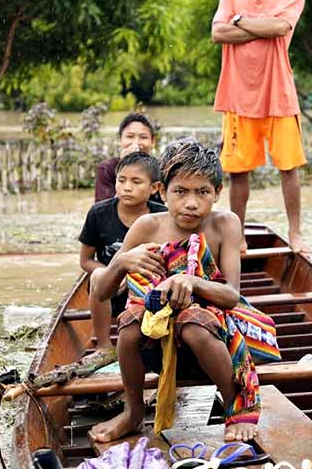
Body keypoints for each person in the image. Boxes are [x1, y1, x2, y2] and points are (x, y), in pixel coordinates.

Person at [87, 140, 259, 443]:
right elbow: (101, 292)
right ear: (163, 192)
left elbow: (232, 295)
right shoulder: (146, 227)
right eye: (180, 192)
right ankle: (134, 412)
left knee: (193, 323)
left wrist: (192, 283)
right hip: (154, 348)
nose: (191, 203)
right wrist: (121, 263)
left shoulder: (225, 224)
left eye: (202, 192)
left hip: (211, 339)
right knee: (129, 325)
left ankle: (234, 404)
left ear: (217, 193)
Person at [211, 0, 308, 255]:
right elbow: (217, 32)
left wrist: (240, 21)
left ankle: (295, 233)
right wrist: (258, 24)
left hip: (278, 93)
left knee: (288, 167)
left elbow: (281, 28)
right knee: (238, 172)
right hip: (238, 95)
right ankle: (237, 237)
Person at [79, 152, 166, 358]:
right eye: (121, 180)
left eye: (136, 182)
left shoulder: (161, 215)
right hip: (111, 287)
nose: (127, 187)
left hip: (147, 284)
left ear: (154, 188)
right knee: (96, 278)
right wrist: (112, 272)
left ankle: (155, 337)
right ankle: (103, 345)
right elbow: (85, 261)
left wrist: (132, 277)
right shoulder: (98, 214)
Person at [95, 113, 159, 202]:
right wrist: (124, 165)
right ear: (120, 140)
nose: (136, 143)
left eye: (143, 137)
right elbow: (103, 211)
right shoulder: (106, 168)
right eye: (130, 136)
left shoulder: (160, 169)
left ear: (153, 141)